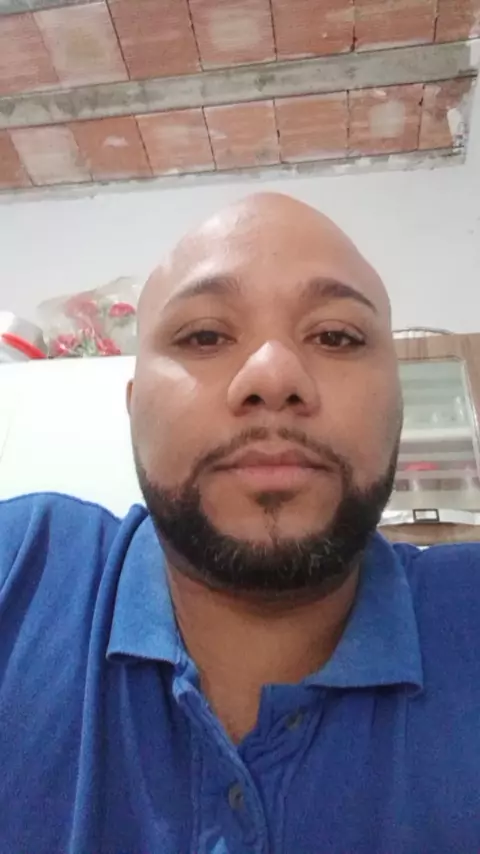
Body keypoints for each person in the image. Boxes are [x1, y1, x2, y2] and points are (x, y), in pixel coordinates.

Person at [0, 193, 479, 854]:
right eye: (205, 336)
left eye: (336, 336)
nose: (273, 376)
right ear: (134, 409)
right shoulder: (20, 568)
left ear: (398, 406)